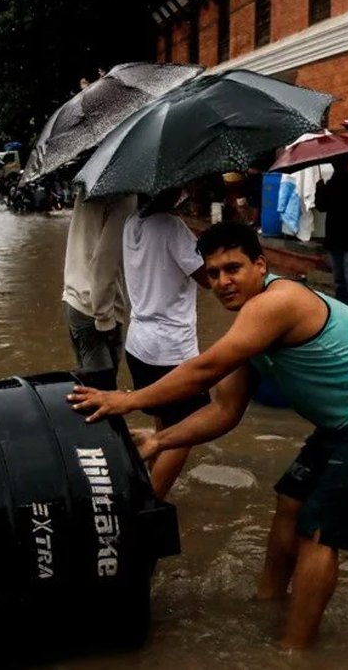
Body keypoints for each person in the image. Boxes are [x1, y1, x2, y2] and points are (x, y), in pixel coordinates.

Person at [69, 221, 348, 649]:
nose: (223, 282)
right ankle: (268, 602)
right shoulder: (252, 324)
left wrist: (127, 400)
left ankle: (293, 651)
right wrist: (159, 441)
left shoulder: (276, 302)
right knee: (290, 502)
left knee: (319, 531)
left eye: (234, 268)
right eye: (213, 273)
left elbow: (202, 370)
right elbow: (225, 411)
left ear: (260, 265)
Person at [122, 187, 210, 499]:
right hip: (171, 348)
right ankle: (148, 506)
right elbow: (209, 277)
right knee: (185, 432)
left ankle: (147, 481)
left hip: (138, 344)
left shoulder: (132, 223)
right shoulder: (173, 228)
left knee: (165, 427)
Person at [62, 193, 138, 392]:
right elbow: (105, 262)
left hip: (74, 298)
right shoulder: (125, 198)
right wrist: (105, 320)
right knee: (104, 393)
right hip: (96, 306)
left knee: (89, 390)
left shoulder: (87, 190)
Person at [315, 161, 348, 310]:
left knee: (347, 281)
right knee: (343, 281)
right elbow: (321, 205)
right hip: (340, 240)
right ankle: (345, 313)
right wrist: (320, 190)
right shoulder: (332, 184)